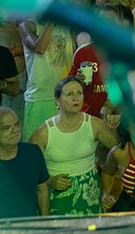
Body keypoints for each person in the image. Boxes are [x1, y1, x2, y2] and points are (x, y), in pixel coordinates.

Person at [28, 76, 118, 215]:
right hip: (57, 196)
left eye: (79, 93)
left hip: (90, 194)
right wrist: (50, 181)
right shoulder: (43, 133)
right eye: (70, 94)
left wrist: (107, 189)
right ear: (57, 100)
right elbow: (29, 170)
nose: (76, 98)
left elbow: (119, 151)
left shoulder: (94, 125)